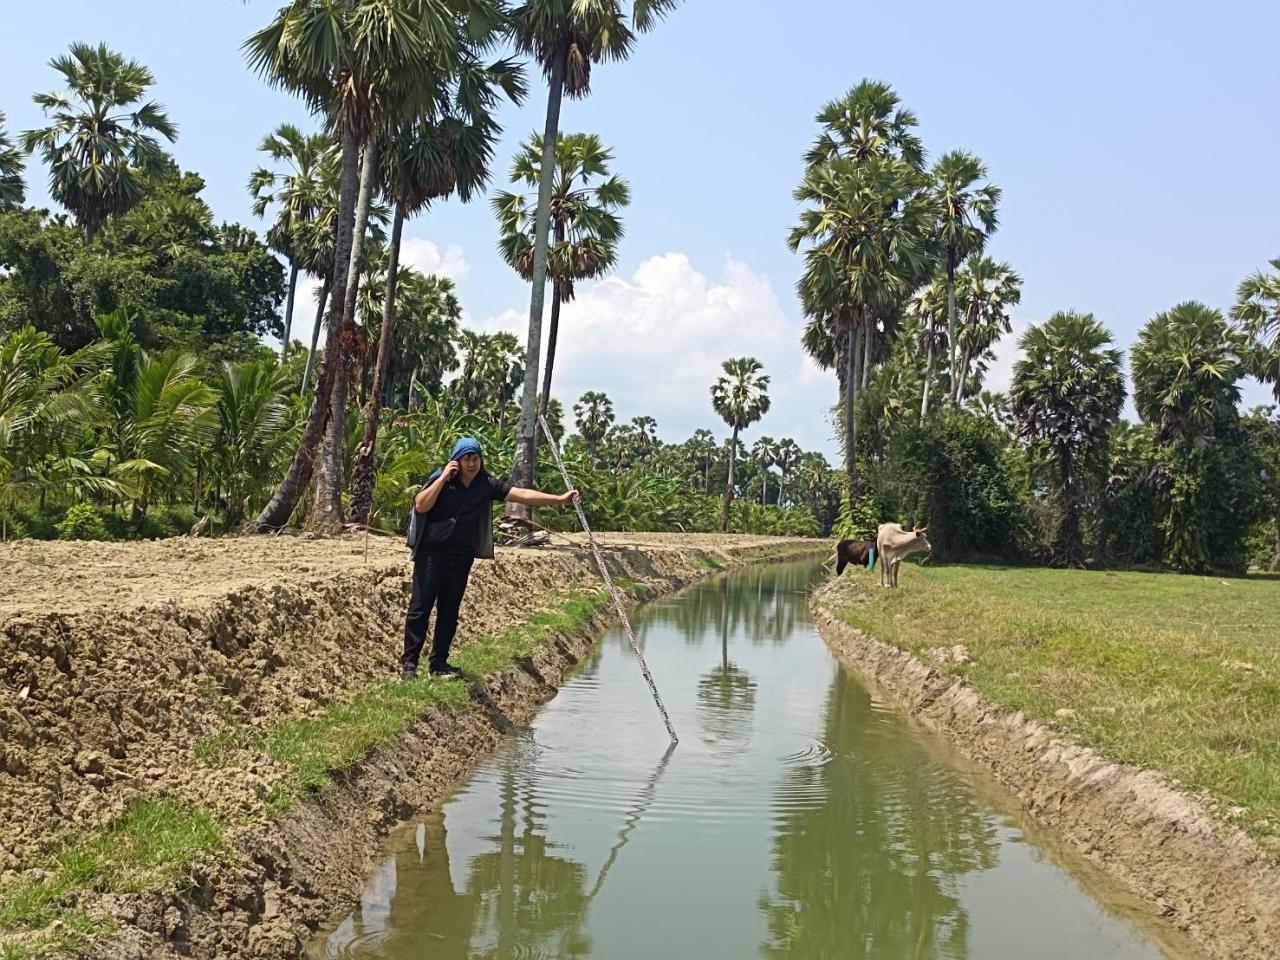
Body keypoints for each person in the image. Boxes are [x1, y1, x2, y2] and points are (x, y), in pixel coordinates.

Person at [401, 436, 579, 680]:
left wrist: (558, 500)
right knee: (420, 608)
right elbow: (421, 505)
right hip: (432, 554)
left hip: (461, 557)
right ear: (457, 461)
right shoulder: (442, 480)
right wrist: (443, 477)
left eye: (475, 458)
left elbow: (522, 494)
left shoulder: (486, 485)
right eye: (466, 458)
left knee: (449, 611)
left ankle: (439, 663)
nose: (472, 463)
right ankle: (409, 665)